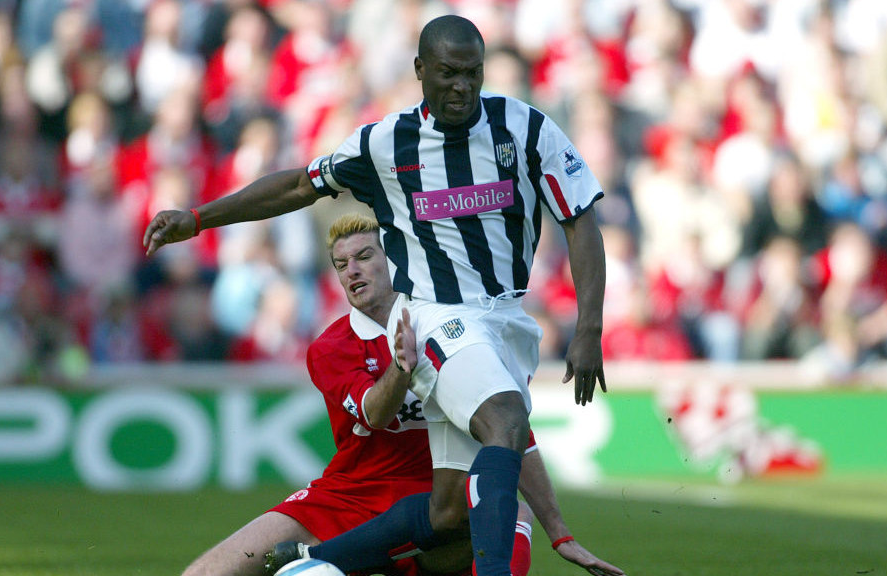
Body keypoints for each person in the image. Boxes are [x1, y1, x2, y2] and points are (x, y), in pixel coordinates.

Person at [144, 15, 608, 576]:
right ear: (419, 71)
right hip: (438, 318)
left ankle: (316, 563)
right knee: (504, 419)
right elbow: (297, 185)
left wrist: (589, 329)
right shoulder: (385, 144)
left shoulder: (526, 128)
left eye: (473, 73)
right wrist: (197, 219)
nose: (462, 86)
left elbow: (580, 220)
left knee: (445, 512)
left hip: (507, 320)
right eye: (447, 74)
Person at [182, 214, 622, 576]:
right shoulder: (331, 347)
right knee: (205, 573)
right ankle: (330, 560)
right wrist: (401, 366)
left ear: (395, 260)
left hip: (435, 501)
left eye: (364, 256)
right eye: (340, 264)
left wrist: (561, 534)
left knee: (512, 516)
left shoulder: (454, 328)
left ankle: (327, 564)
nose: (352, 270)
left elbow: (510, 432)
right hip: (348, 494)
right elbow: (374, 413)